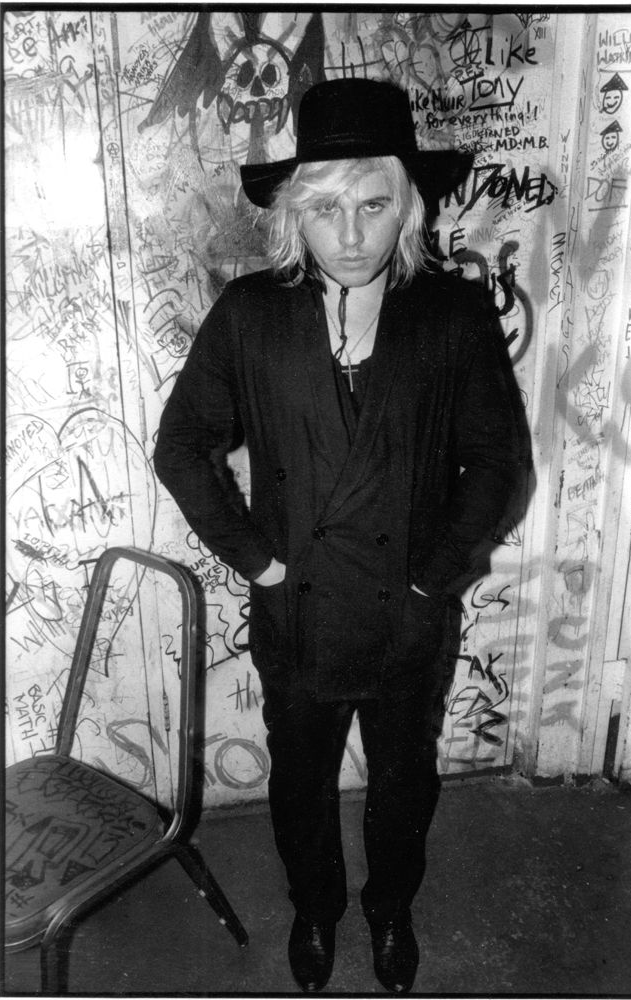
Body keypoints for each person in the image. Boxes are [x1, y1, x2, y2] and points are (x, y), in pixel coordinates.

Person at [154, 78, 522, 995]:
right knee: (300, 782)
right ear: (294, 215)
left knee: (404, 782)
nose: (351, 234)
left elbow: (500, 467)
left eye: (373, 203)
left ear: (409, 204)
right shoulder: (250, 314)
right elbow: (182, 447)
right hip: (300, 609)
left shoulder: (451, 312)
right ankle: (317, 910)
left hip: (409, 612)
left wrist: (435, 581)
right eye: (325, 208)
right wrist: (261, 561)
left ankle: (390, 907)